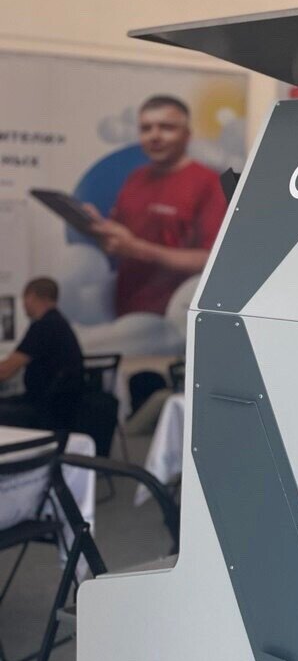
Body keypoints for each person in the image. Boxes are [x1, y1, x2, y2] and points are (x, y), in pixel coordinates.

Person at [86, 95, 227, 316]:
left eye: (166, 127)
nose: (154, 136)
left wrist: (138, 249)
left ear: (187, 134)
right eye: (146, 128)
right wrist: (97, 227)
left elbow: (212, 260)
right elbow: (121, 241)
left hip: (177, 317)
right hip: (127, 309)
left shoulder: (209, 183)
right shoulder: (135, 178)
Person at [0, 278, 85, 429]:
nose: (23, 304)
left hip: (44, 409)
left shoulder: (43, 326)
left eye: (24, 298)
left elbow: (5, 371)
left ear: (31, 296)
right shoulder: (58, 323)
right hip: (60, 407)